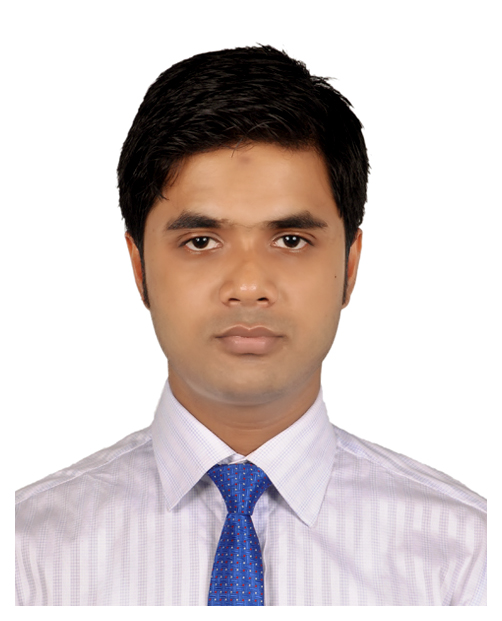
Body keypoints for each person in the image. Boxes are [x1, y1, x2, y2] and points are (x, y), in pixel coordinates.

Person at [15, 45, 486, 606]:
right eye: (201, 241)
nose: (247, 285)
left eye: (290, 240)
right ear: (139, 266)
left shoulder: (468, 557)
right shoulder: (26, 556)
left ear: (350, 266)